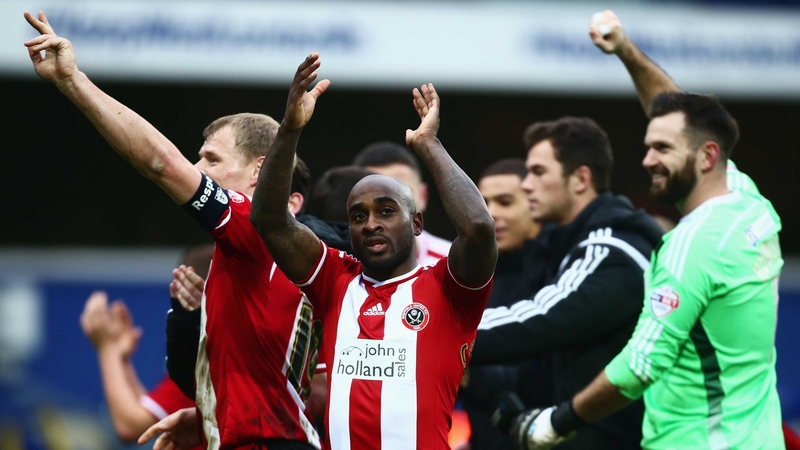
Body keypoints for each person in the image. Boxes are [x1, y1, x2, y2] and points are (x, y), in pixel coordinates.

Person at [24, 11, 321, 449]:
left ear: (259, 171)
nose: (198, 168)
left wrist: (72, 81)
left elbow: (160, 162)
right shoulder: (258, 248)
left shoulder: (253, 229)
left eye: (212, 159)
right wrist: (207, 420)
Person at [495, 13, 786, 450]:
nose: (648, 160)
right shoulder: (748, 203)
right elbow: (681, 115)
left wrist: (555, 422)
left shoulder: (688, 248)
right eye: (648, 146)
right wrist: (626, 52)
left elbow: (640, 365)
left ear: (707, 157)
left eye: (662, 149)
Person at [250, 54, 497, 449]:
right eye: (358, 216)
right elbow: (269, 220)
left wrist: (429, 145)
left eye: (386, 211)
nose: (371, 223)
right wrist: (290, 129)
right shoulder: (335, 279)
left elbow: (480, 228)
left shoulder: (449, 289)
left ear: (416, 224)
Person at [474, 117, 664, 449]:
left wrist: (443, 333)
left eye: (538, 172)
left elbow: (541, 318)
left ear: (580, 179)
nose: (528, 184)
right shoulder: (574, 246)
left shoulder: (611, 249)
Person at [80, 245, 212, 445]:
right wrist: (120, 359)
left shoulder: (207, 354)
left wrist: (107, 348)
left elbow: (130, 425)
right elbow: (153, 410)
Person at [458, 158, 549, 450]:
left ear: (534, 202)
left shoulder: (558, 275)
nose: (492, 214)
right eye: (484, 202)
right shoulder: (473, 277)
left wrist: (470, 372)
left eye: (505, 202)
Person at [353, 141, 452, 266]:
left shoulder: (454, 266)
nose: (388, 209)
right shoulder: (337, 268)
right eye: (373, 196)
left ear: (423, 196)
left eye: (403, 193)